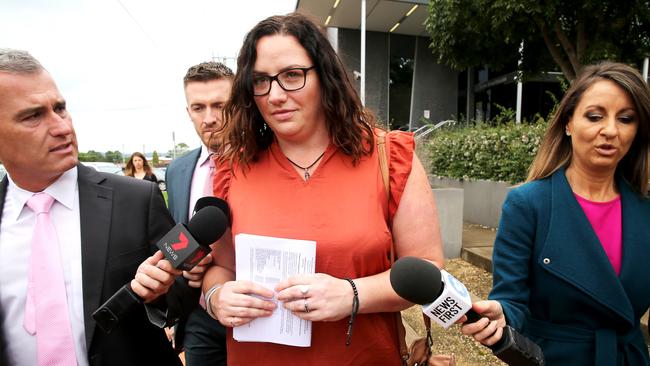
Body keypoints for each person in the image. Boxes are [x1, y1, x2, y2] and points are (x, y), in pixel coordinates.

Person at [202, 13, 445, 365]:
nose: (275, 95)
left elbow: (427, 270)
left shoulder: (389, 158)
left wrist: (352, 294)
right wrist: (216, 297)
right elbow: (220, 268)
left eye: (292, 76)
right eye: (260, 81)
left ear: (325, 76)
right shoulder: (233, 168)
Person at [0, 48, 210, 365]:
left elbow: (185, 285)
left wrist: (158, 293)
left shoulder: (137, 200)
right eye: (33, 116)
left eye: (60, 108)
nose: (61, 127)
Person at [460, 62, 650, 365]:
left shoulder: (644, 211)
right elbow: (512, 299)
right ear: (568, 123)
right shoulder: (527, 205)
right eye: (595, 116)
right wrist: (502, 313)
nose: (611, 131)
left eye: (626, 119)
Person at [165, 61, 233, 365]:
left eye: (220, 105)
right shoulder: (177, 170)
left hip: (253, 309)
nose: (210, 118)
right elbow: (175, 234)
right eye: (198, 107)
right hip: (197, 317)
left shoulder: (269, 164)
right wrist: (184, 263)